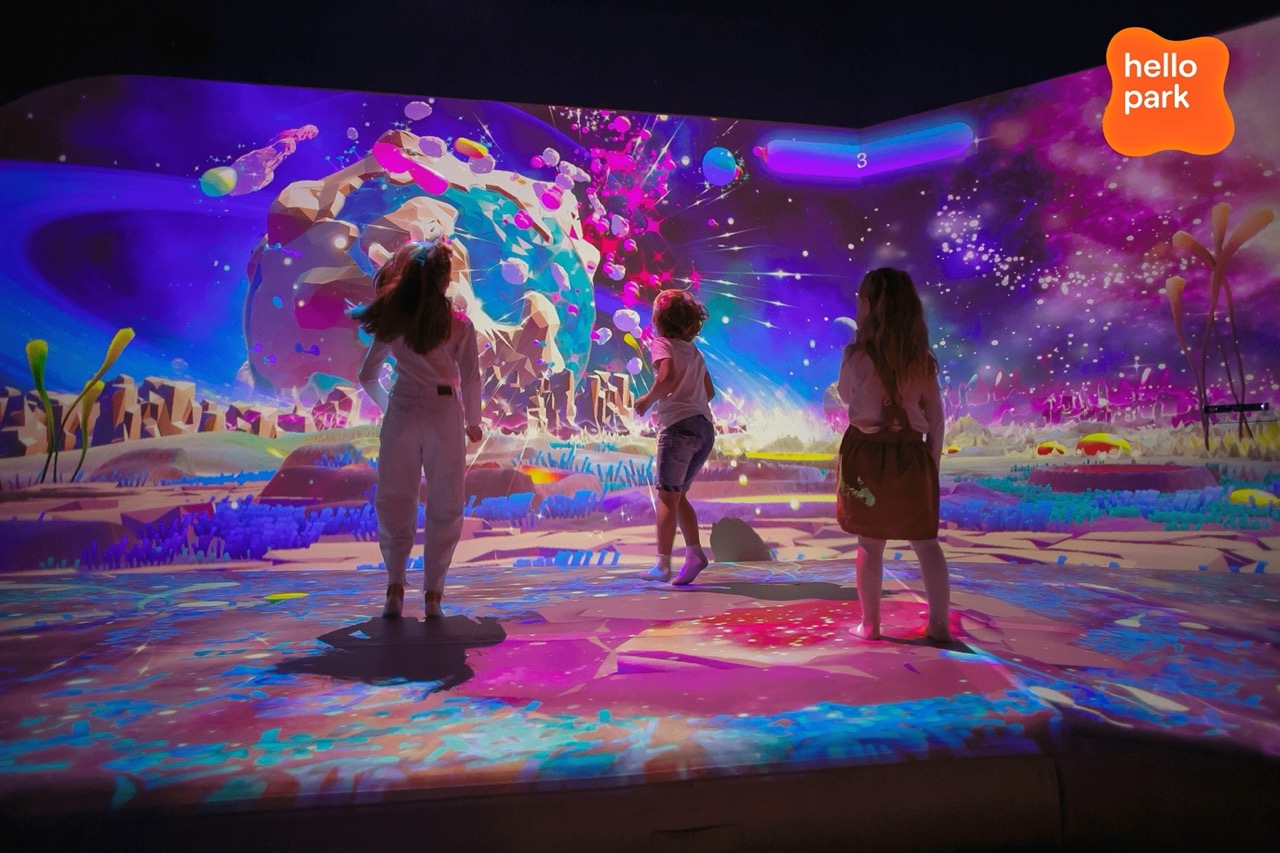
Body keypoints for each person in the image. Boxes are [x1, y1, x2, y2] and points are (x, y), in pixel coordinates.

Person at [353, 239, 484, 619]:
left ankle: (394, 588)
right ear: (445, 281)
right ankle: (433, 596)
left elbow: (368, 375)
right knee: (446, 503)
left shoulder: (394, 319)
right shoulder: (459, 324)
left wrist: (391, 407)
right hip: (444, 414)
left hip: (403, 411)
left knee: (395, 498)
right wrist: (473, 421)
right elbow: (471, 378)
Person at [835, 268, 952, 643]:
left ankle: (870, 625)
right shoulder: (921, 359)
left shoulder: (855, 356)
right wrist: (931, 463)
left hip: (866, 456)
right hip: (910, 456)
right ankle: (939, 625)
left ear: (866, 305)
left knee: (869, 543)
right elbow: (936, 418)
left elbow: (846, 396)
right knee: (926, 544)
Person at [633, 289, 716, 585]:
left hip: (678, 428)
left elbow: (666, 378)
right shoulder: (694, 352)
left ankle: (662, 564)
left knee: (667, 497)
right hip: (704, 428)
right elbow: (709, 392)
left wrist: (647, 400)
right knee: (678, 495)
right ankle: (694, 554)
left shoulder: (661, 344)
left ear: (658, 320)